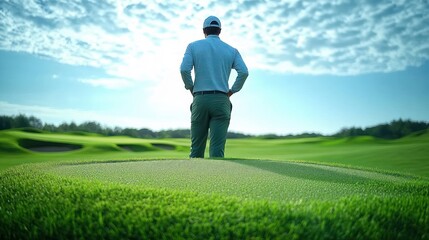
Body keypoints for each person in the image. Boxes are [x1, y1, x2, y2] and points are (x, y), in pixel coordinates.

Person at [180, 16, 249, 158]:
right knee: (217, 151)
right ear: (220, 31)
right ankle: (216, 179)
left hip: (200, 99)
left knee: (196, 149)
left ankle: (194, 179)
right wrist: (231, 91)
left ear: (204, 30)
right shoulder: (232, 50)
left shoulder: (193, 46)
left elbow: (184, 69)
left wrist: (190, 87)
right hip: (222, 99)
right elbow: (244, 72)